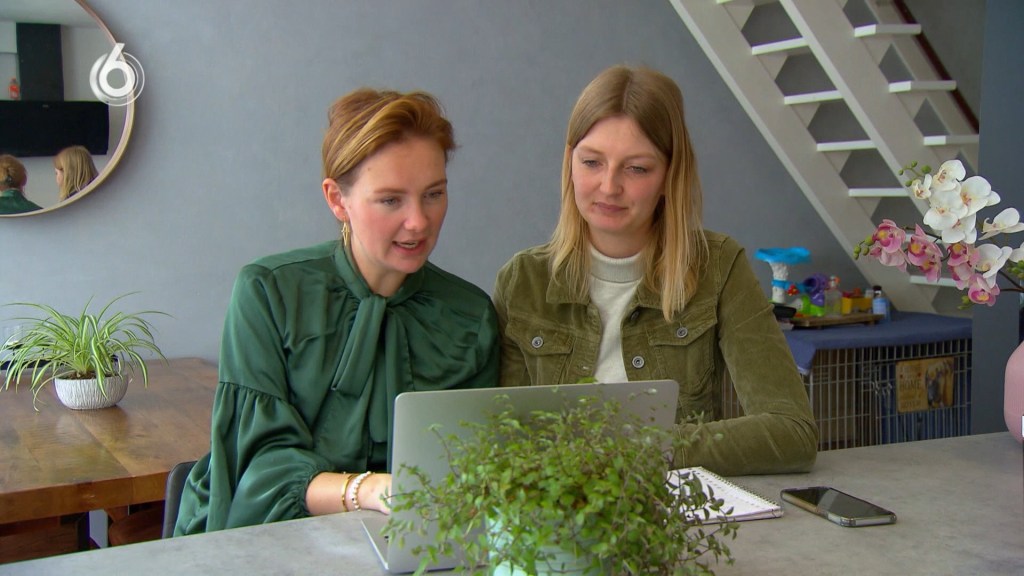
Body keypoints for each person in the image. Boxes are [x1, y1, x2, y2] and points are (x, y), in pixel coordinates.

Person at [175, 88, 500, 535]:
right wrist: (367, 489)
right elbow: (256, 470)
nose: (419, 221)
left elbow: (466, 471)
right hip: (260, 538)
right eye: (391, 200)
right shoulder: (267, 292)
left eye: (433, 194)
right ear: (336, 199)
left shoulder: (470, 316)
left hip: (408, 542)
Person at [493, 65, 818, 476]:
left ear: (669, 175)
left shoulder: (719, 266)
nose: (609, 187)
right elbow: (499, 441)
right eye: (592, 162)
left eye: (637, 168)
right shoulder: (521, 281)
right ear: (569, 163)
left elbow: (792, 433)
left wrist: (636, 449)